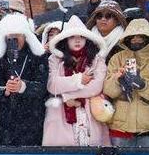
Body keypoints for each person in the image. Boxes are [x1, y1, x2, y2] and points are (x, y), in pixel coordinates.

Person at [42, 15, 109, 147]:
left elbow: (96, 87)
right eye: (72, 37)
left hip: (91, 111)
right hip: (60, 114)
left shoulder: (97, 60)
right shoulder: (55, 59)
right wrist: (78, 79)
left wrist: (68, 95)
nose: (77, 40)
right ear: (66, 40)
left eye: (81, 36)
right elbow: (52, 85)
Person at [0, 12, 48, 146]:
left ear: (25, 35)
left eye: (17, 35)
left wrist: (24, 87)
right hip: (5, 120)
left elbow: (43, 86)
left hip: (31, 118)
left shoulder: (38, 56)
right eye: (10, 36)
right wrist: (5, 90)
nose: (13, 40)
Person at [103, 18, 149, 146]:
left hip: (147, 128)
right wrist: (118, 79)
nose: (136, 40)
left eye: (140, 36)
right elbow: (108, 91)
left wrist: (143, 85)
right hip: (120, 127)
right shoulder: (117, 58)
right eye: (132, 36)